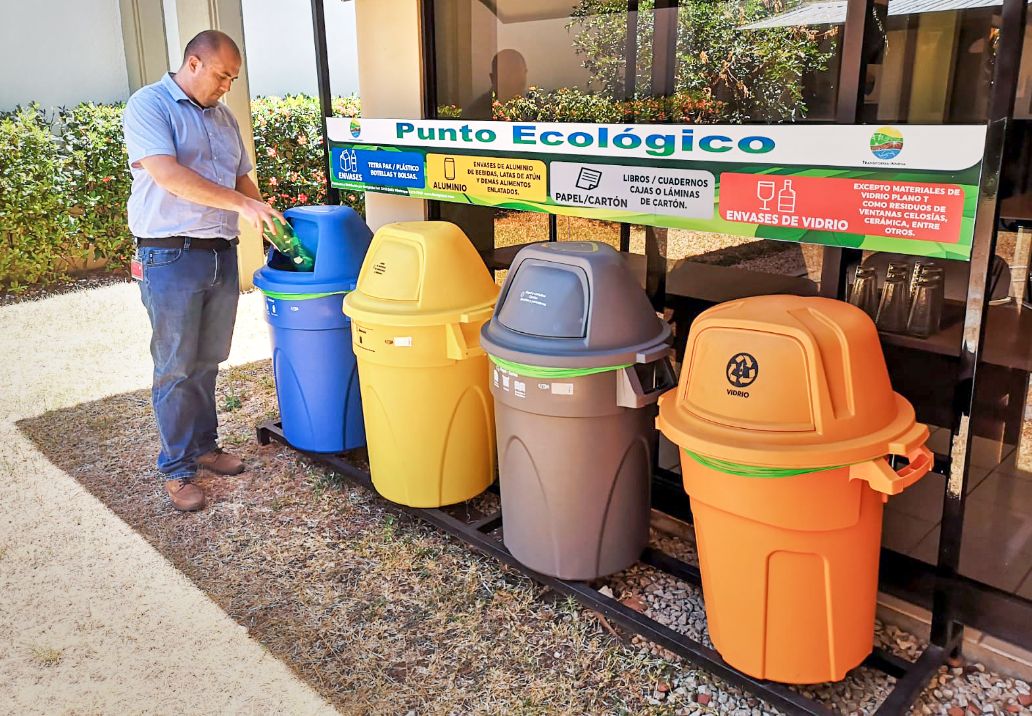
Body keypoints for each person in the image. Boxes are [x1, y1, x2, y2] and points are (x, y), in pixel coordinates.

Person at [123, 30, 282, 511]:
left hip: (220, 251)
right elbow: (168, 175)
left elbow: (240, 178)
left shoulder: (224, 117)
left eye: (233, 78)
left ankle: (205, 447)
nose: (226, 87)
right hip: (169, 254)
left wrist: (271, 219)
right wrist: (240, 203)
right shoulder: (149, 106)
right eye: (221, 76)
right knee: (175, 366)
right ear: (193, 63)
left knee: (209, 358)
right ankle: (176, 469)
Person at [462, 48, 528, 119]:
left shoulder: (535, 106)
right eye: (506, 73)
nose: (513, 79)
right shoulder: (476, 113)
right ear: (493, 78)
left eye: (517, 72)